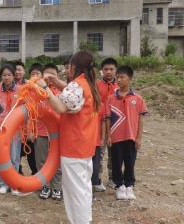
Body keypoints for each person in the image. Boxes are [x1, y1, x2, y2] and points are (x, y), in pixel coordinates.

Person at [36, 51, 101, 224]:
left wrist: (45, 88)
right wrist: (57, 83)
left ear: (73, 67)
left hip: (73, 148)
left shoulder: (77, 86)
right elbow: (72, 95)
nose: (67, 69)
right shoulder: (88, 83)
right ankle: (84, 220)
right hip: (85, 147)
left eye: (68, 66)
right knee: (83, 189)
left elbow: (61, 107)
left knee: (75, 193)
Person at [106, 66, 147, 200]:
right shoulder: (111, 98)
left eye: (122, 77)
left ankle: (129, 185)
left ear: (130, 79)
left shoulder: (138, 98)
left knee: (130, 163)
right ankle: (119, 186)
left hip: (131, 137)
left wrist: (139, 138)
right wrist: (108, 136)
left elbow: (140, 119)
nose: (119, 79)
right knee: (116, 163)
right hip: (116, 137)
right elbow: (107, 119)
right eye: (117, 77)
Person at [0, 64, 21, 195]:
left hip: (15, 128)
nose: (6, 77)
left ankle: (14, 184)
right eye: (4, 75)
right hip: (2, 127)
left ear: (14, 75)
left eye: (9, 74)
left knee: (14, 157)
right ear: (1, 76)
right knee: (3, 157)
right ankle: (4, 183)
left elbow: (25, 109)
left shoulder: (20, 90)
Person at [35, 63, 63, 201]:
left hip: (57, 134)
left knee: (57, 162)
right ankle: (45, 186)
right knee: (41, 161)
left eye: (53, 75)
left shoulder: (61, 92)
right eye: (46, 74)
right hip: (41, 132)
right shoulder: (36, 91)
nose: (49, 78)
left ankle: (57, 187)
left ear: (57, 77)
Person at [97, 57, 119, 189]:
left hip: (116, 125)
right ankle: (97, 179)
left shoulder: (120, 86)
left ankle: (113, 178)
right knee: (99, 152)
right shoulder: (97, 86)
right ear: (102, 71)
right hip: (100, 125)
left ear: (116, 70)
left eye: (111, 69)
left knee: (115, 154)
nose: (109, 72)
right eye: (106, 69)